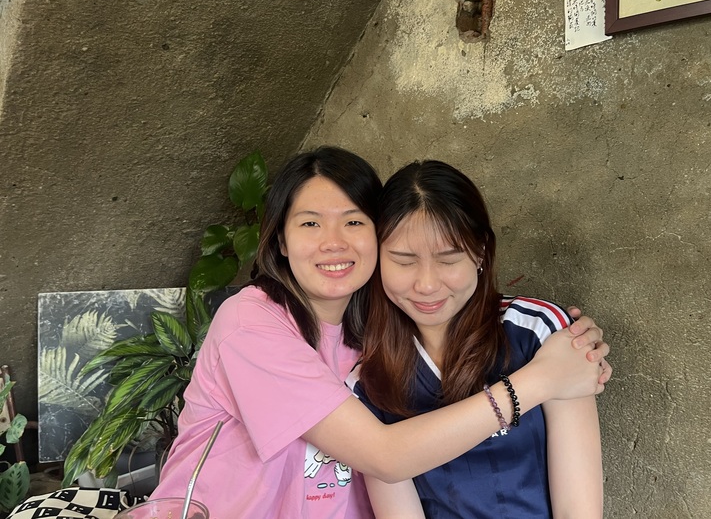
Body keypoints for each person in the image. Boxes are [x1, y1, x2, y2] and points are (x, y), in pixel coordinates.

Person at [152, 147, 609, 519]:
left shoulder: (371, 338)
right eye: (310, 223)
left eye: (353, 221)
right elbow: (386, 457)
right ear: (281, 240)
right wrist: (543, 379)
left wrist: (570, 349)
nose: (334, 242)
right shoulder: (255, 324)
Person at [353, 160, 604, 518]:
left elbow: (579, 510)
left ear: (480, 251)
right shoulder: (369, 375)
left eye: (448, 259)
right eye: (404, 261)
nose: (427, 284)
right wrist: (540, 381)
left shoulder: (538, 331)